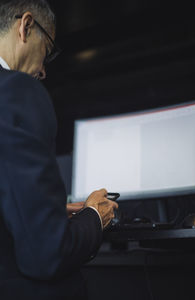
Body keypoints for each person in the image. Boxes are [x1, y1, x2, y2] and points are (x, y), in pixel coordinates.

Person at [0, 1, 118, 299]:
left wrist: (43, 209)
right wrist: (93, 216)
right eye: (48, 51)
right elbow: (46, 253)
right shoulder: (16, 91)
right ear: (26, 27)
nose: (43, 71)